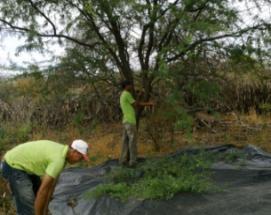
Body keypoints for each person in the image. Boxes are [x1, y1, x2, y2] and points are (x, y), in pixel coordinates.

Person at [0, 139, 89, 215]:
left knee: (37, 195)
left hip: (26, 167)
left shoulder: (63, 154)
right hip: (13, 166)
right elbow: (43, 191)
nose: (79, 161)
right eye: (80, 158)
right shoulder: (58, 160)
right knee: (28, 204)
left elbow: (50, 187)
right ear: (74, 152)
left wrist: (45, 211)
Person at [119, 80, 153, 167]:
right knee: (132, 141)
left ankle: (123, 160)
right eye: (129, 85)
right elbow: (136, 104)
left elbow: (134, 102)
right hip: (130, 121)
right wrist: (149, 103)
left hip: (125, 120)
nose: (131, 86)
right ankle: (133, 161)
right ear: (126, 86)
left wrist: (139, 95)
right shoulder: (127, 94)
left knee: (125, 141)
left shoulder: (123, 95)